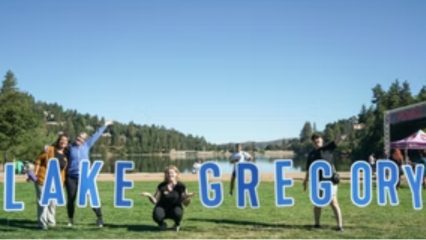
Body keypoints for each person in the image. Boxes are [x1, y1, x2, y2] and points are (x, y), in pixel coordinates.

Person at [65, 120, 113, 228]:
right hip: (71, 177)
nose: (79, 140)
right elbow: (59, 146)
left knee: (92, 198)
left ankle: (100, 218)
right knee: (71, 199)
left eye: (81, 139)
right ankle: (70, 220)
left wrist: (105, 125)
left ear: (84, 140)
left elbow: (96, 135)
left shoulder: (87, 145)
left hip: (85, 177)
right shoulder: (69, 147)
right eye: (78, 137)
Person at [303, 133, 343, 231]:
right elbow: (309, 169)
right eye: (315, 141)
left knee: (334, 203)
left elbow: (338, 140)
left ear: (322, 141)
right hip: (317, 183)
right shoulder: (311, 154)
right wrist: (305, 181)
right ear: (313, 143)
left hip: (329, 182)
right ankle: (317, 224)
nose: (317, 143)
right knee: (317, 203)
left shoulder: (328, 148)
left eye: (319, 141)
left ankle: (339, 226)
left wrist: (344, 133)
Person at [141, 165, 194, 232]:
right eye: (168, 173)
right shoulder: (161, 185)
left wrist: (188, 198)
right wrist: (149, 195)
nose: (170, 174)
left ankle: (177, 224)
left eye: (172, 173)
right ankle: (162, 224)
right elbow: (155, 201)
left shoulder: (181, 186)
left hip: (175, 208)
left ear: (176, 174)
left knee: (178, 213)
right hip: (162, 207)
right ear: (165, 175)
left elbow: (185, 204)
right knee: (157, 216)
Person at [33, 134, 69, 230]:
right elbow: (38, 161)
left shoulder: (66, 154)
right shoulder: (49, 149)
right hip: (43, 179)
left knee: (53, 203)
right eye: (62, 139)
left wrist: (62, 182)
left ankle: (51, 221)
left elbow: (63, 170)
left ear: (67, 143)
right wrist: (35, 174)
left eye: (66, 140)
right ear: (58, 141)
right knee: (43, 202)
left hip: (56, 182)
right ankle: (42, 223)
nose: (63, 141)